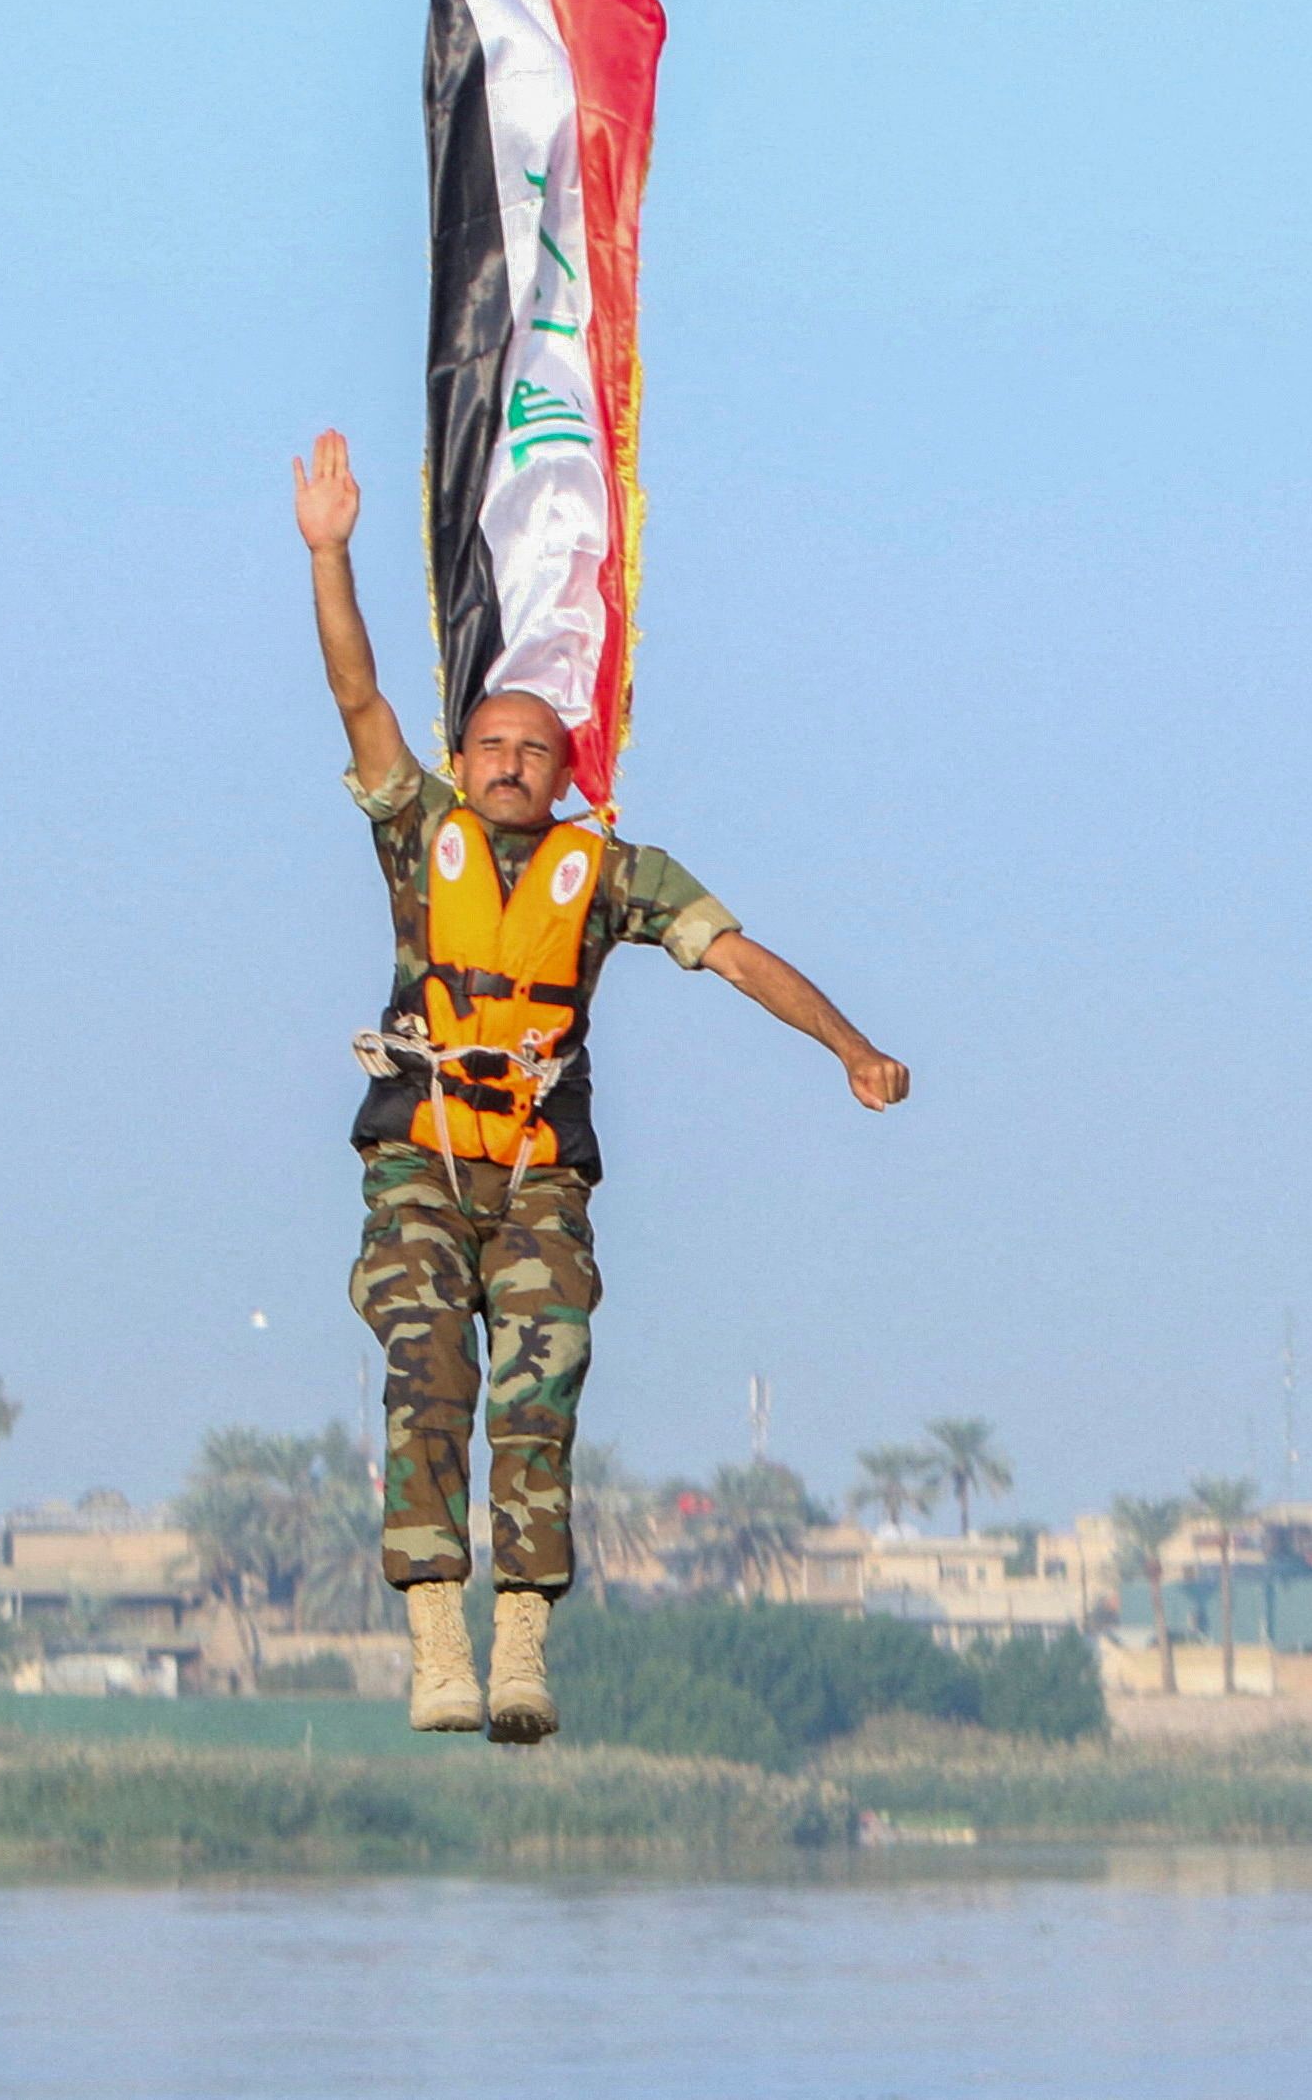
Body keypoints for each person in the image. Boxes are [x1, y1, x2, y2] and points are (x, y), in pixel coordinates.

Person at [295, 429, 909, 1741]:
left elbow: (739, 958)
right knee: (426, 1362)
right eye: (491, 745)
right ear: (462, 765)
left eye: (534, 746)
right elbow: (357, 699)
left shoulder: (616, 872)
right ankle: (433, 1632)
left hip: (536, 1170)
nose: (511, 760)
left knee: (544, 1368)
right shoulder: (418, 833)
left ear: (567, 769)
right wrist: (330, 554)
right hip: (419, 1155)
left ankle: (522, 1632)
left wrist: (850, 1047)